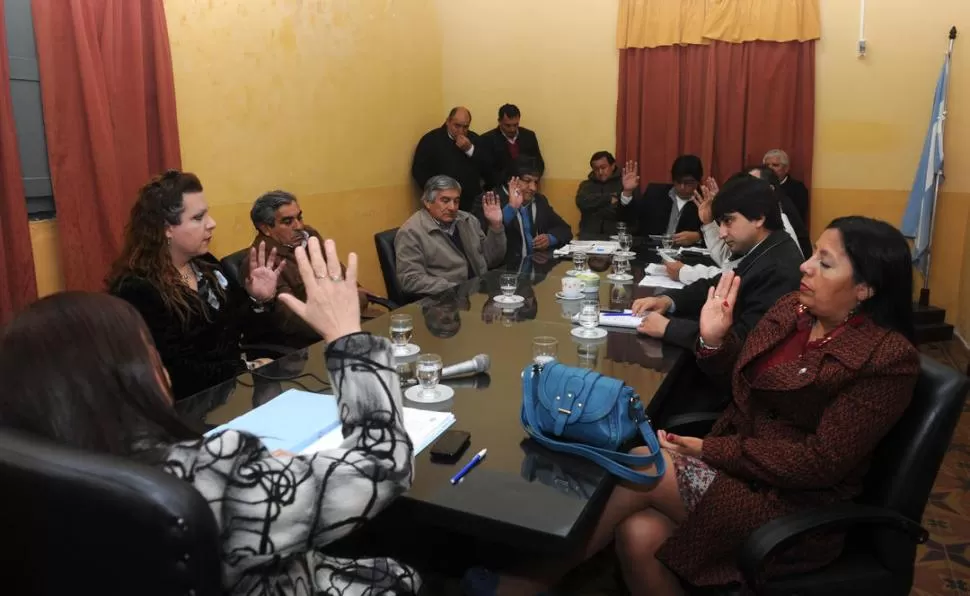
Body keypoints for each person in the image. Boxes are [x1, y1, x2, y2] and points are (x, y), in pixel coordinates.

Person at [464, 216, 919, 595]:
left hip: (795, 510)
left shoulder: (886, 358)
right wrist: (714, 341)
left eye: (824, 262)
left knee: (641, 459)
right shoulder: (793, 312)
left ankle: (523, 583)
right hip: (741, 475)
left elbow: (820, 463)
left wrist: (706, 450)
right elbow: (743, 383)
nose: (805, 267)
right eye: (812, 254)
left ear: (865, 289)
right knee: (640, 533)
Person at [0, 238, 422, 595]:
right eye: (149, 349)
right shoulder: (204, 478)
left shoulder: (29, 481)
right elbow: (383, 461)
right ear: (130, 376)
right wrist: (347, 335)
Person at [107, 170, 285, 400]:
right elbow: (176, 372)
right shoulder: (137, 289)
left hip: (228, 396)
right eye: (198, 218)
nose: (212, 224)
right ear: (166, 228)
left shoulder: (206, 266)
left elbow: (243, 331)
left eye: (207, 214)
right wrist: (245, 369)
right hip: (187, 410)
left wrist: (259, 301)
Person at [633, 176, 803, 349]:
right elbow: (717, 285)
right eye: (720, 223)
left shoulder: (779, 270)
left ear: (759, 217)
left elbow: (745, 341)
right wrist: (668, 300)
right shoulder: (765, 249)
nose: (721, 233)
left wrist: (669, 328)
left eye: (728, 221)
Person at [240, 190, 373, 350]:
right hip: (311, 343)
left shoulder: (309, 235)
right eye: (288, 221)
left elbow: (345, 281)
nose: (299, 226)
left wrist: (353, 297)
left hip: (352, 321)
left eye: (299, 217)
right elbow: (292, 322)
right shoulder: (261, 265)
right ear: (266, 228)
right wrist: (348, 303)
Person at [668, 167, 811, 284]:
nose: (722, 233)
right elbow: (728, 262)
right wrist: (710, 222)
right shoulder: (751, 227)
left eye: (750, 185)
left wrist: (686, 273)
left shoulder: (779, 229)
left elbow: (734, 278)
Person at [395, 175, 506, 298]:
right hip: (443, 303)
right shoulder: (411, 232)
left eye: (456, 201)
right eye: (445, 201)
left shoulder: (468, 221)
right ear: (427, 202)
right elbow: (410, 279)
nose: (452, 207)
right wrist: (454, 289)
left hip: (479, 295)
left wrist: (496, 226)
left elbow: (492, 260)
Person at [472, 156, 572, 261]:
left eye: (536, 182)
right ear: (511, 180)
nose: (533, 188)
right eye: (527, 181)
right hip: (504, 270)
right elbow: (482, 239)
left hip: (536, 269)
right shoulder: (489, 200)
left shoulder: (540, 200)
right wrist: (511, 208)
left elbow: (564, 229)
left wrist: (550, 239)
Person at [412, 106, 492, 212]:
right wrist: (436, 193)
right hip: (441, 202)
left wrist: (470, 149)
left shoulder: (474, 139)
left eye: (465, 127)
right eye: (457, 126)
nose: (461, 131)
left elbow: (487, 167)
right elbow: (419, 171)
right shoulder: (431, 140)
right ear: (448, 121)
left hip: (470, 202)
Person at [618, 155, 704, 245]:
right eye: (678, 181)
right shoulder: (654, 193)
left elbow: (717, 235)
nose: (682, 187)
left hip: (685, 256)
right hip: (651, 251)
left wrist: (698, 236)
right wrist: (627, 192)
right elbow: (627, 219)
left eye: (688, 183)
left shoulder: (705, 202)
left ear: (698, 181)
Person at [574, 151, 640, 237]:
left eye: (603, 167)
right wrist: (609, 198)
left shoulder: (627, 184)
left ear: (612, 166)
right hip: (589, 237)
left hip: (618, 237)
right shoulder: (586, 185)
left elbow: (626, 213)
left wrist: (595, 207)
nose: (600, 172)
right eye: (596, 169)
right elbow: (582, 203)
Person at [480, 104, 545, 189]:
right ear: (499, 121)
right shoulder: (487, 139)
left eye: (515, 125)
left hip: (526, 189)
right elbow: (487, 170)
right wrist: (509, 184)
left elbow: (539, 163)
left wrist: (531, 181)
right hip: (499, 190)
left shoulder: (529, 136)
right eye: (508, 125)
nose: (512, 129)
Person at [764, 148, 809, 223]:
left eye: (775, 165)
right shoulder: (759, 185)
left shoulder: (798, 188)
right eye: (766, 165)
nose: (770, 168)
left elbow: (797, 216)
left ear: (786, 168)